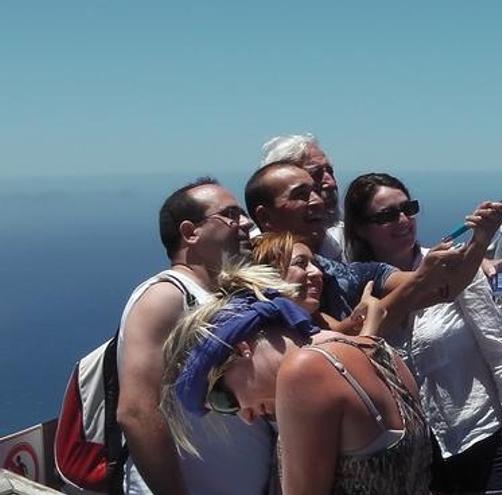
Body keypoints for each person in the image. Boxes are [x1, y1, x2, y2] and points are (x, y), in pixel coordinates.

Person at [343, 172, 502, 494]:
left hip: (480, 438)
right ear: (359, 228)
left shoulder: (456, 268)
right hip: (410, 459)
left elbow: (501, 352)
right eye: (387, 215)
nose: (403, 220)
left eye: (407, 208)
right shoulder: (353, 288)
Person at [160, 259, 432, 495]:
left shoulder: (303, 372)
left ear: (240, 348)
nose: (246, 416)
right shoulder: (379, 351)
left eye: (224, 400)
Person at [116, 177, 274, 495]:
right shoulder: (165, 297)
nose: (245, 223)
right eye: (230, 215)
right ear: (190, 232)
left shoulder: (229, 296)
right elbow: (136, 412)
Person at [244, 161, 502, 329]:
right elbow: (342, 337)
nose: (318, 201)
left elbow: (443, 289)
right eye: (301, 195)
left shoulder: (337, 270)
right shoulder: (245, 282)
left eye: (315, 191)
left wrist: (479, 241)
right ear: (265, 216)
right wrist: (422, 280)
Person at [259, 133, 344, 260]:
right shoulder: (250, 257)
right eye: (316, 174)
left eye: (330, 172)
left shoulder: (348, 245)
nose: (331, 183)